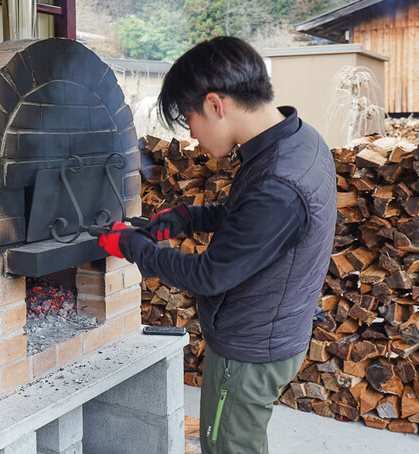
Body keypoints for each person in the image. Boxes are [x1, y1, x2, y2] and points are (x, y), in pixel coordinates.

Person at [98, 36, 336, 454]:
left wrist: (133, 246)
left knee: (226, 447)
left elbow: (211, 275)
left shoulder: (279, 182)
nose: (190, 132)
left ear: (215, 104)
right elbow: (251, 219)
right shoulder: (295, 140)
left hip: (250, 352)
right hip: (269, 332)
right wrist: (189, 216)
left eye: (189, 117)